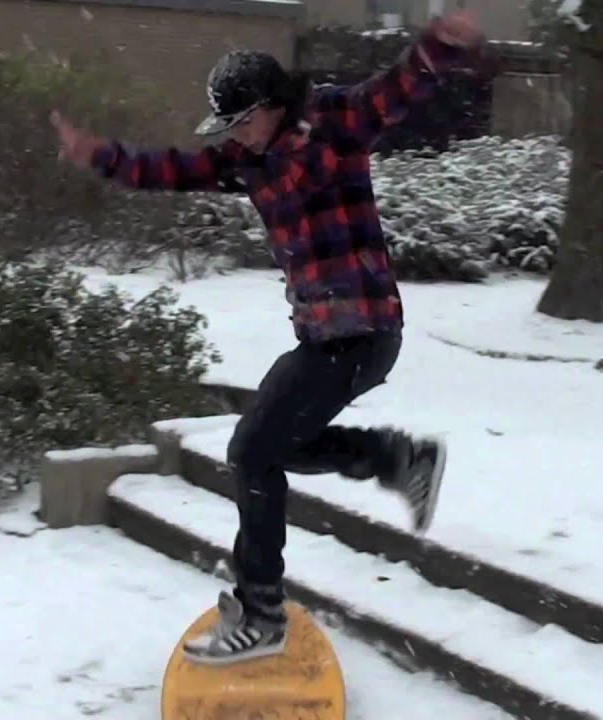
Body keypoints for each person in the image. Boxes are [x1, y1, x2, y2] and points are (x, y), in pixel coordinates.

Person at [51, 10, 487, 666]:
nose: (238, 138)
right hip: (321, 337)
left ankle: (261, 613)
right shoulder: (246, 159)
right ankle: (399, 460)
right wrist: (102, 156)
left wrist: (438, 44)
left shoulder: (335, 121)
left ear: (273, 106)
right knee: (269, 447)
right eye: (230, 128)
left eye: (243, 122)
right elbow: (173, 169)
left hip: (365, 329)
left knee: (254, 452)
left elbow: (395, 90)